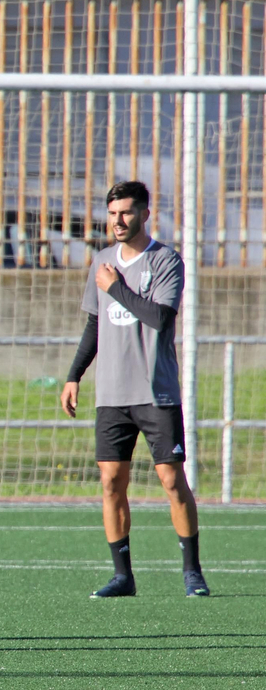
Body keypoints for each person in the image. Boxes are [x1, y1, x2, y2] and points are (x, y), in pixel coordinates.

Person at [60, 180, 207, 598]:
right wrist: (74, 375)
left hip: (155, 393)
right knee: (111, 482)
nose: (118, 221)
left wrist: (117, 288)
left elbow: (159, 318)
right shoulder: (102, 261)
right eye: (112, 214)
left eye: (125, 212)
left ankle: (192, 572)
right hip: (111, 394)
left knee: (171, 480)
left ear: (144, 214)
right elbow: (95, 324)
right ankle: (123, 577)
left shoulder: (165, 260)